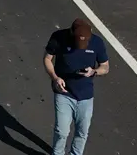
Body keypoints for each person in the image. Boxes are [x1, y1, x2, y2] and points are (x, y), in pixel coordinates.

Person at [43, 18, 109, 155]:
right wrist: (55, 78)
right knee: (61, 131)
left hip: (86, 96)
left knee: (82, 132)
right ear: (72, 34)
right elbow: (47, 59)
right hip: (64, 93)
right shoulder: (58, 37)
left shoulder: (97, 42)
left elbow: (105, 66)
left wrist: (94, 71)